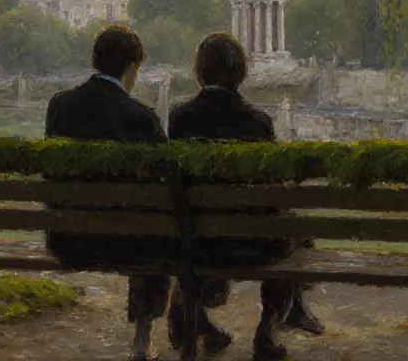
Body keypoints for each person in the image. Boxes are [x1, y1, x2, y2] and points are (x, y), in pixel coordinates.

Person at [165, 32, 325, 361]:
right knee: (290, 229)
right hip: (253, 245)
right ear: (241, 73)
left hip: (196, 242)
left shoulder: (180, 119)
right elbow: (270, 188)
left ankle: (192, 321)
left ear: (199, 72)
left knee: (284, 228)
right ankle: (268, 329)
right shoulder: (257, 122)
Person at [44, 24, 171, 361]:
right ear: (131, 68)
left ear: (95, 62)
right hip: (126, 244)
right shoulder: (140, 117)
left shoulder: (60, 106)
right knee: (156, 229)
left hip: (67, 239)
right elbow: (164, 181)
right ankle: (142, 336)